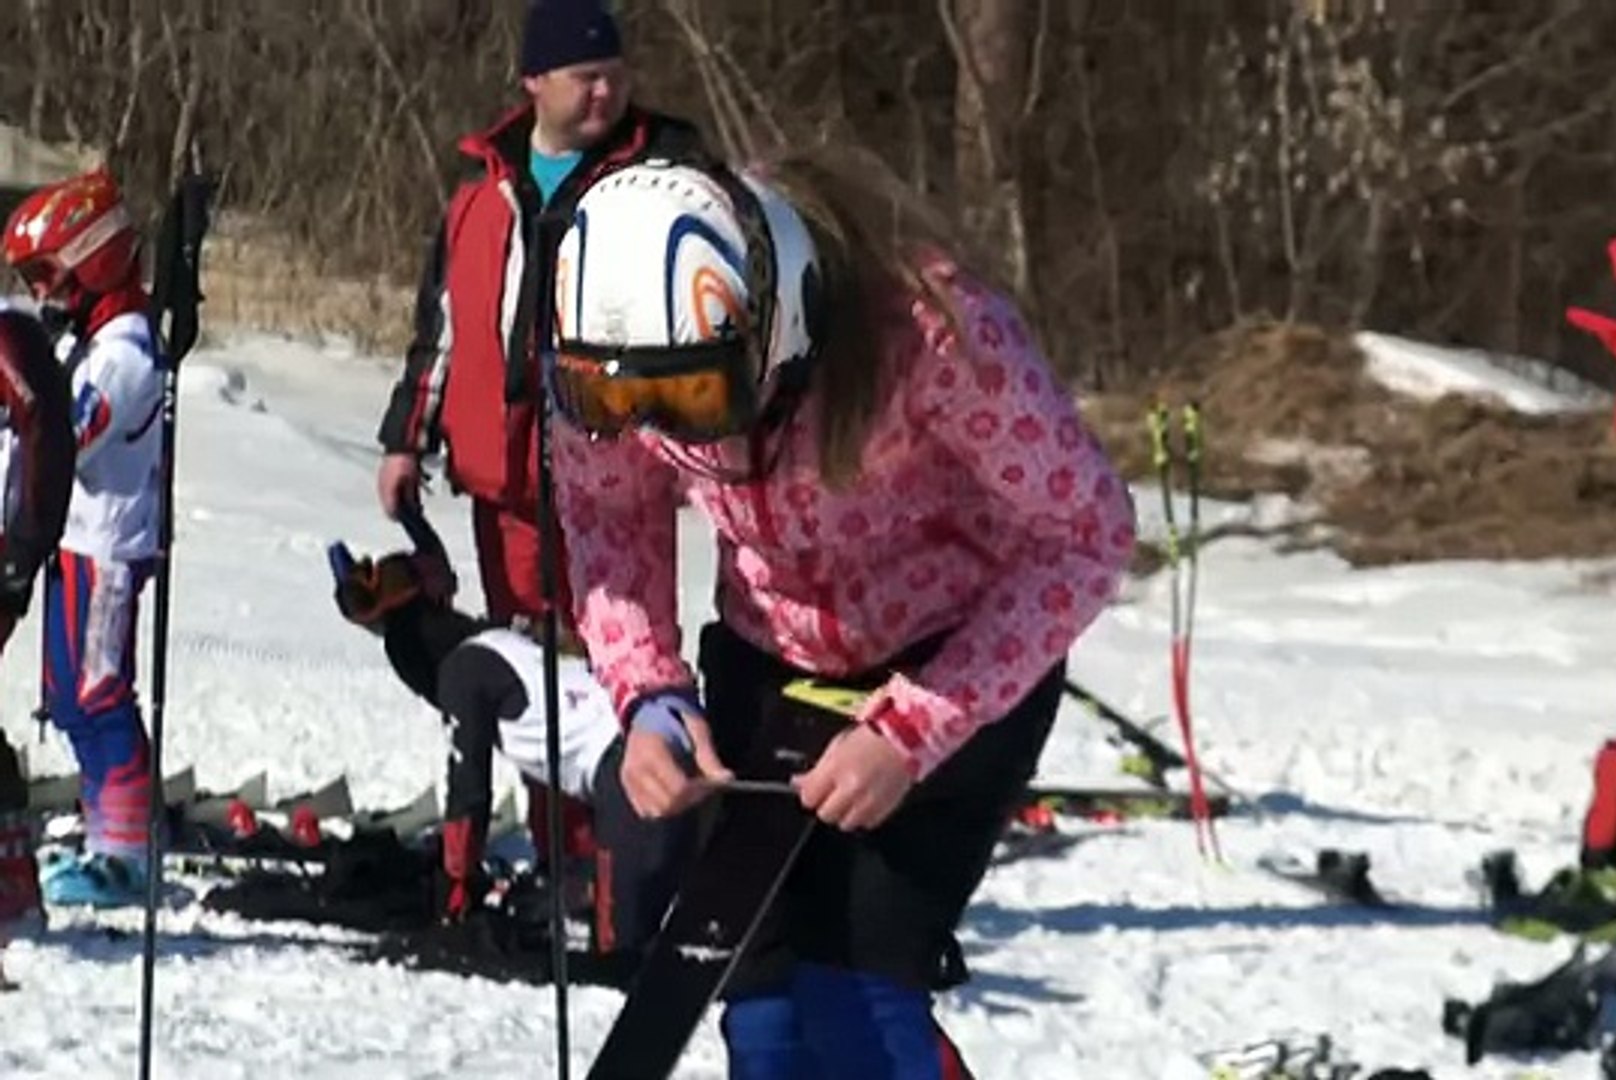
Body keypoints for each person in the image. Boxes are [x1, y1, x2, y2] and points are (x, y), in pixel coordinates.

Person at [544, 149, 1136, 1077]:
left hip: (948, 658)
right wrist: (648, 692)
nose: (667, 427)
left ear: (775, 332)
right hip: (769, 656)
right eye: (623, 401)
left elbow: (1087, 532)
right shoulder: (624, 359)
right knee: (764, 1009)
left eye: (697, 395)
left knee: (854, 998)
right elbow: (608, 515)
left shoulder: (930, 332)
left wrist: (911, 730)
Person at [374, 0, 705, 883]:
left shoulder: (665, 171)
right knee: (526, 671)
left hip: (618, 479)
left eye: (615, 73)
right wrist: (406, 438)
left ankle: (628, 860)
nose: (605, 91)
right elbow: (441, 328)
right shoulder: (481, 195)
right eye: (584, 76)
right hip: (506, 480)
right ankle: (561, 848)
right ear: (535, 82)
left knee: (621, 663)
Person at [330, 534, 689, 956]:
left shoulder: (462, 673)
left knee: (620, 958)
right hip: (662, 745)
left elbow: (468, 788)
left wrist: (455, 879)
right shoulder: (499, 641)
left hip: (630, 774)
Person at [2, 169, 167, 907]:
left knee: (99, 696)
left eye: (48, 275)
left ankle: (126, 853)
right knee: (67, 697)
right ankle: (106, 829)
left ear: (94, 260)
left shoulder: (124, 354)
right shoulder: (93, 342)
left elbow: (67, 435)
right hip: (70, 535)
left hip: (108, 544)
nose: (42, 293)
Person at [0, 307, 77, 971]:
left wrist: (27, 543)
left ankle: (11, 882)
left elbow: (48, 432)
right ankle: (14, 877)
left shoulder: (9, 340)